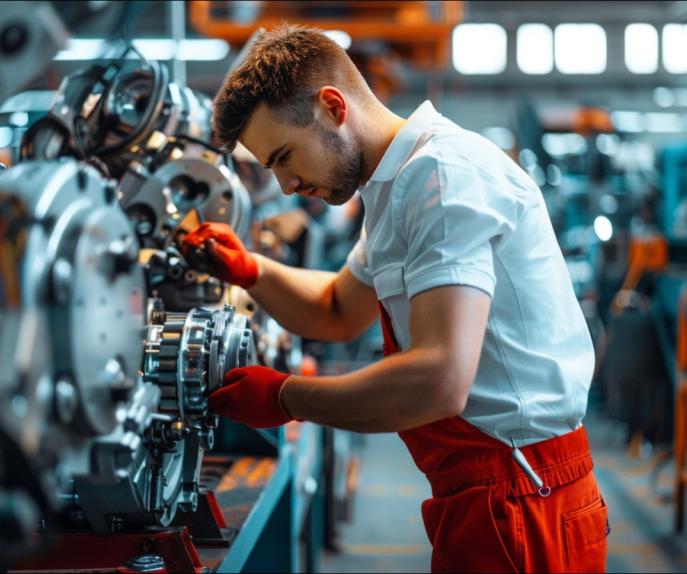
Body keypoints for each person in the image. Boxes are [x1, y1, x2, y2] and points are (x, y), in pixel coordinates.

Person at [183, 25, 607, 573]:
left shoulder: (441, 175)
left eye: (285, 156)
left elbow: (440, 379)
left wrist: (287, 398)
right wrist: (250, 270)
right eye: (272, 168)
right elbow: (337, 309)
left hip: (523, 499)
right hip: (483, 493)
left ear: (332, 106)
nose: (286, 185)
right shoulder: (392, 187)